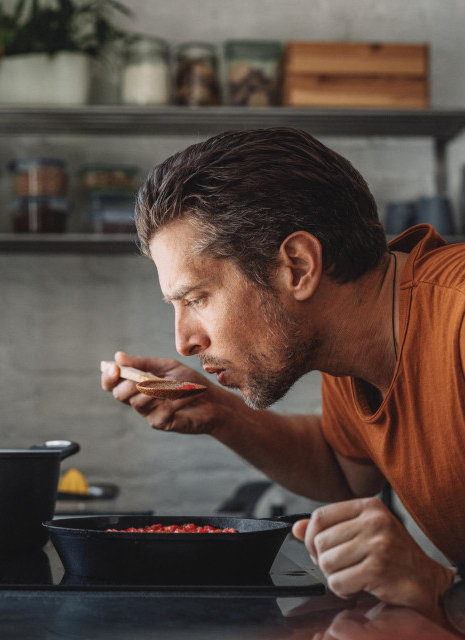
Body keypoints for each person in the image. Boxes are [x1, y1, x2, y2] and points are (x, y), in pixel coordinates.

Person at [100, 128, 465, 627]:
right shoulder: (348, 335)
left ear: (297, 266)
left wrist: (440, 587)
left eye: (196, 299)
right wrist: (221, 414)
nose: (184, 340)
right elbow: (344, 470)